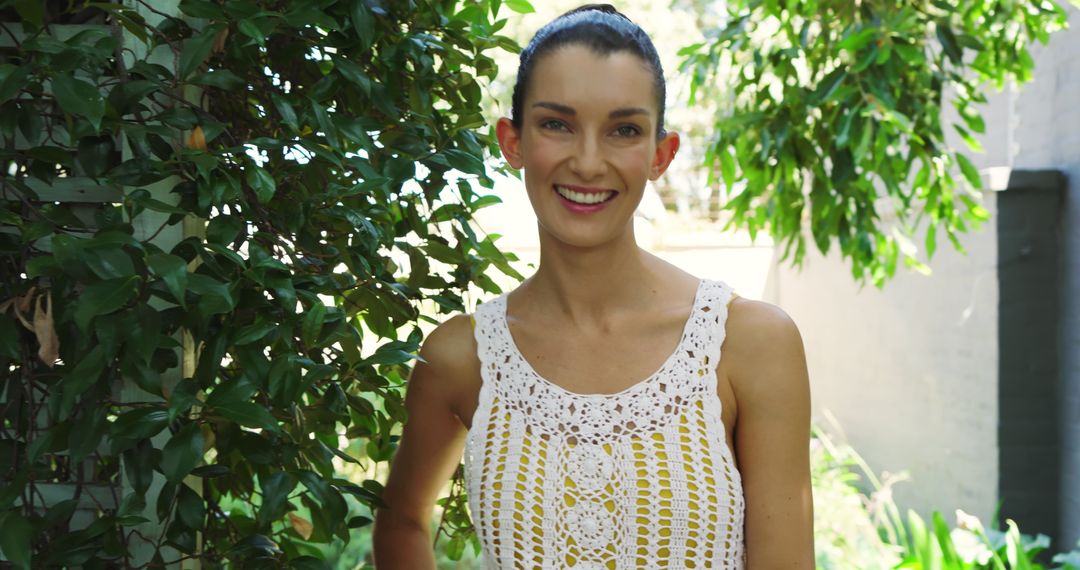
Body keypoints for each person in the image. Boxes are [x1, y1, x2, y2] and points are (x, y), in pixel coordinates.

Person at [372, 4, 813, 568]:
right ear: (513, 142)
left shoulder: (747, 343)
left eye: (623, 130)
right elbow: (403, 519)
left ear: (660, 154)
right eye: (557, 124)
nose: (587, 161)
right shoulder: (462, 358)